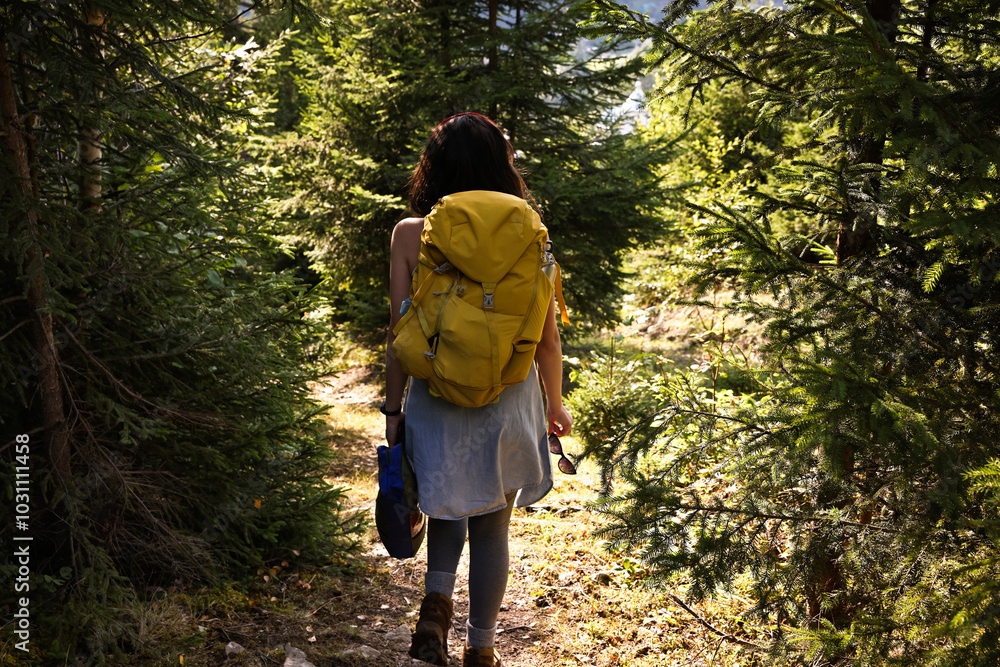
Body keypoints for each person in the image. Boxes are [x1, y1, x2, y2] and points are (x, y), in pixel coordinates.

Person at [382, 112, 573, 667]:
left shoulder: (410, 234)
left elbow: (398, 332)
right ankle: (481, 650)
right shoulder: (529, 228)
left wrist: (393, 411)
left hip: (437, 394)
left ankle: (436, 603)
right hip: (508, 397)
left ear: (434, 169)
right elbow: (546, 336)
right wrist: (554, 404)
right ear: (501, 165)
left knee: (446, 506)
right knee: (491, 524)